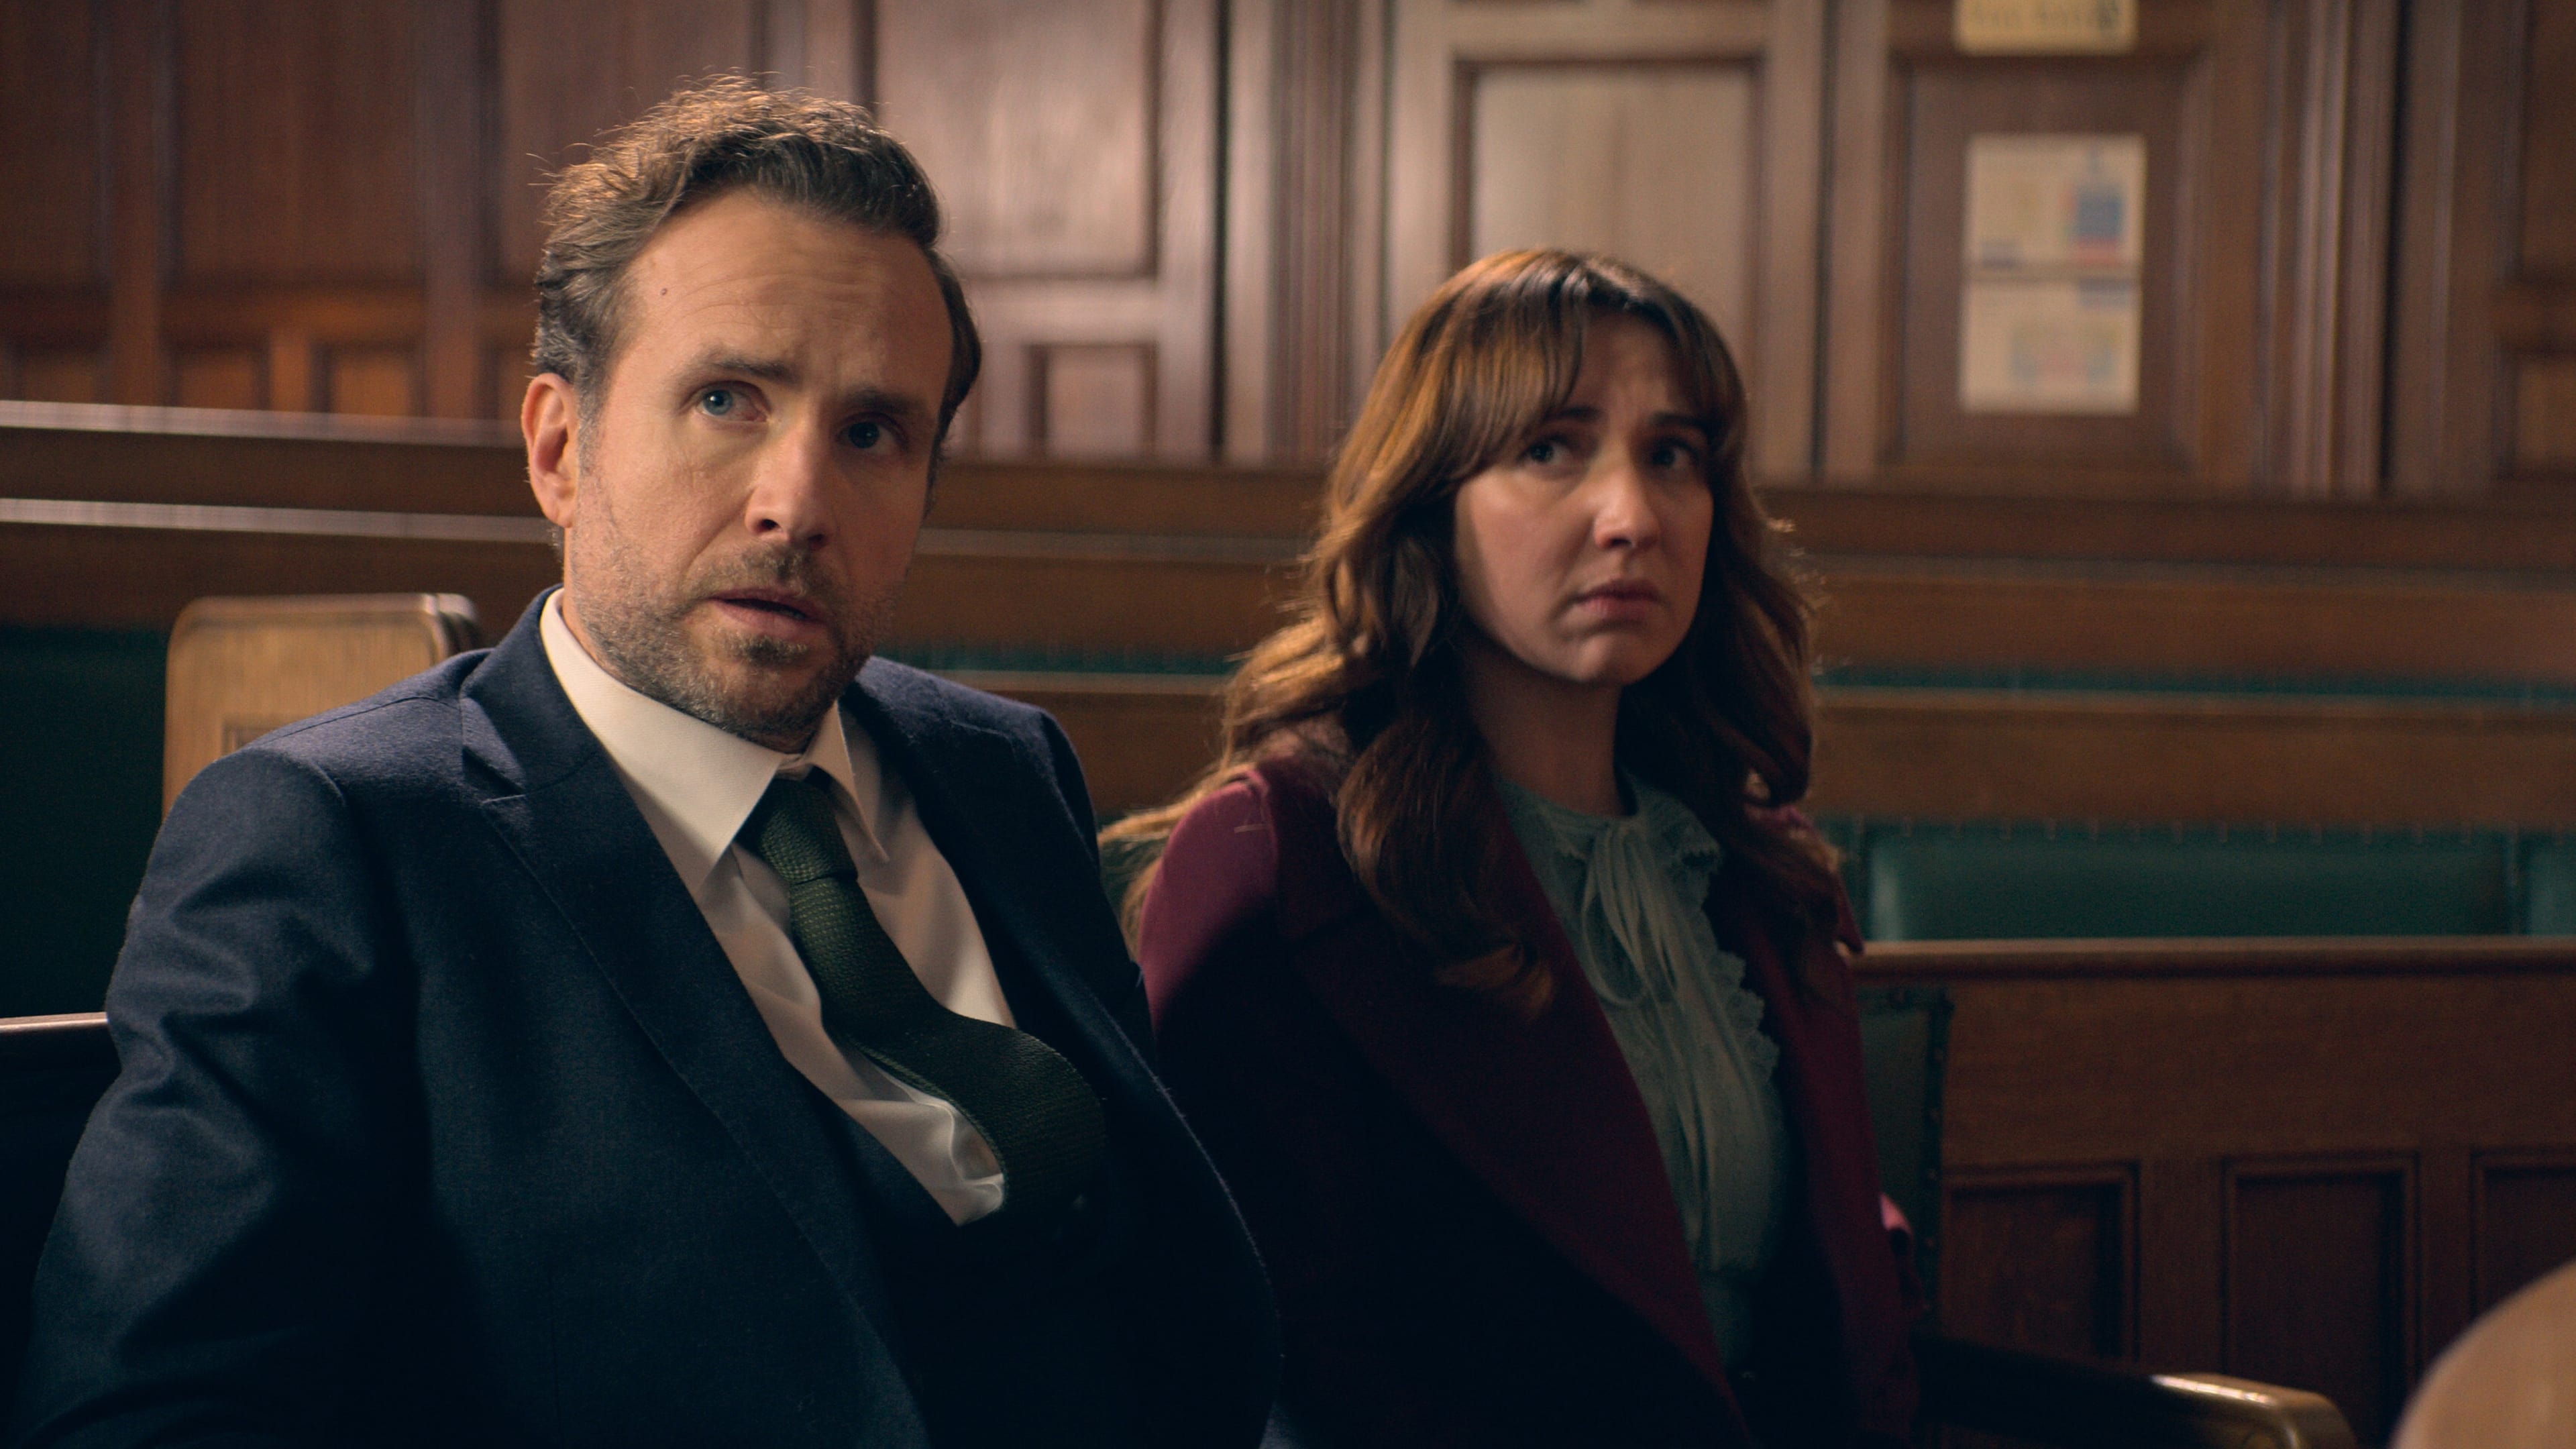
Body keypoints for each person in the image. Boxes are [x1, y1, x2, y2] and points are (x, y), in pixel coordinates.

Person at [10, 80, 1275, 1449]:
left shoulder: (1003, 770)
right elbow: (150, 1418)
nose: (798, 503)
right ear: (560, 449)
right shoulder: (334, 845)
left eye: (871, 433)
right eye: (727, 399)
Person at [1114, 250, 1919, 1448]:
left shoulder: (1757, 868)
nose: (1632, 517)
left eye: (1672, 456)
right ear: (1430, 504)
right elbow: (1251, 1354)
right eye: (1551, 449)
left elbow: (1842, 1316)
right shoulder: (1280, 855)